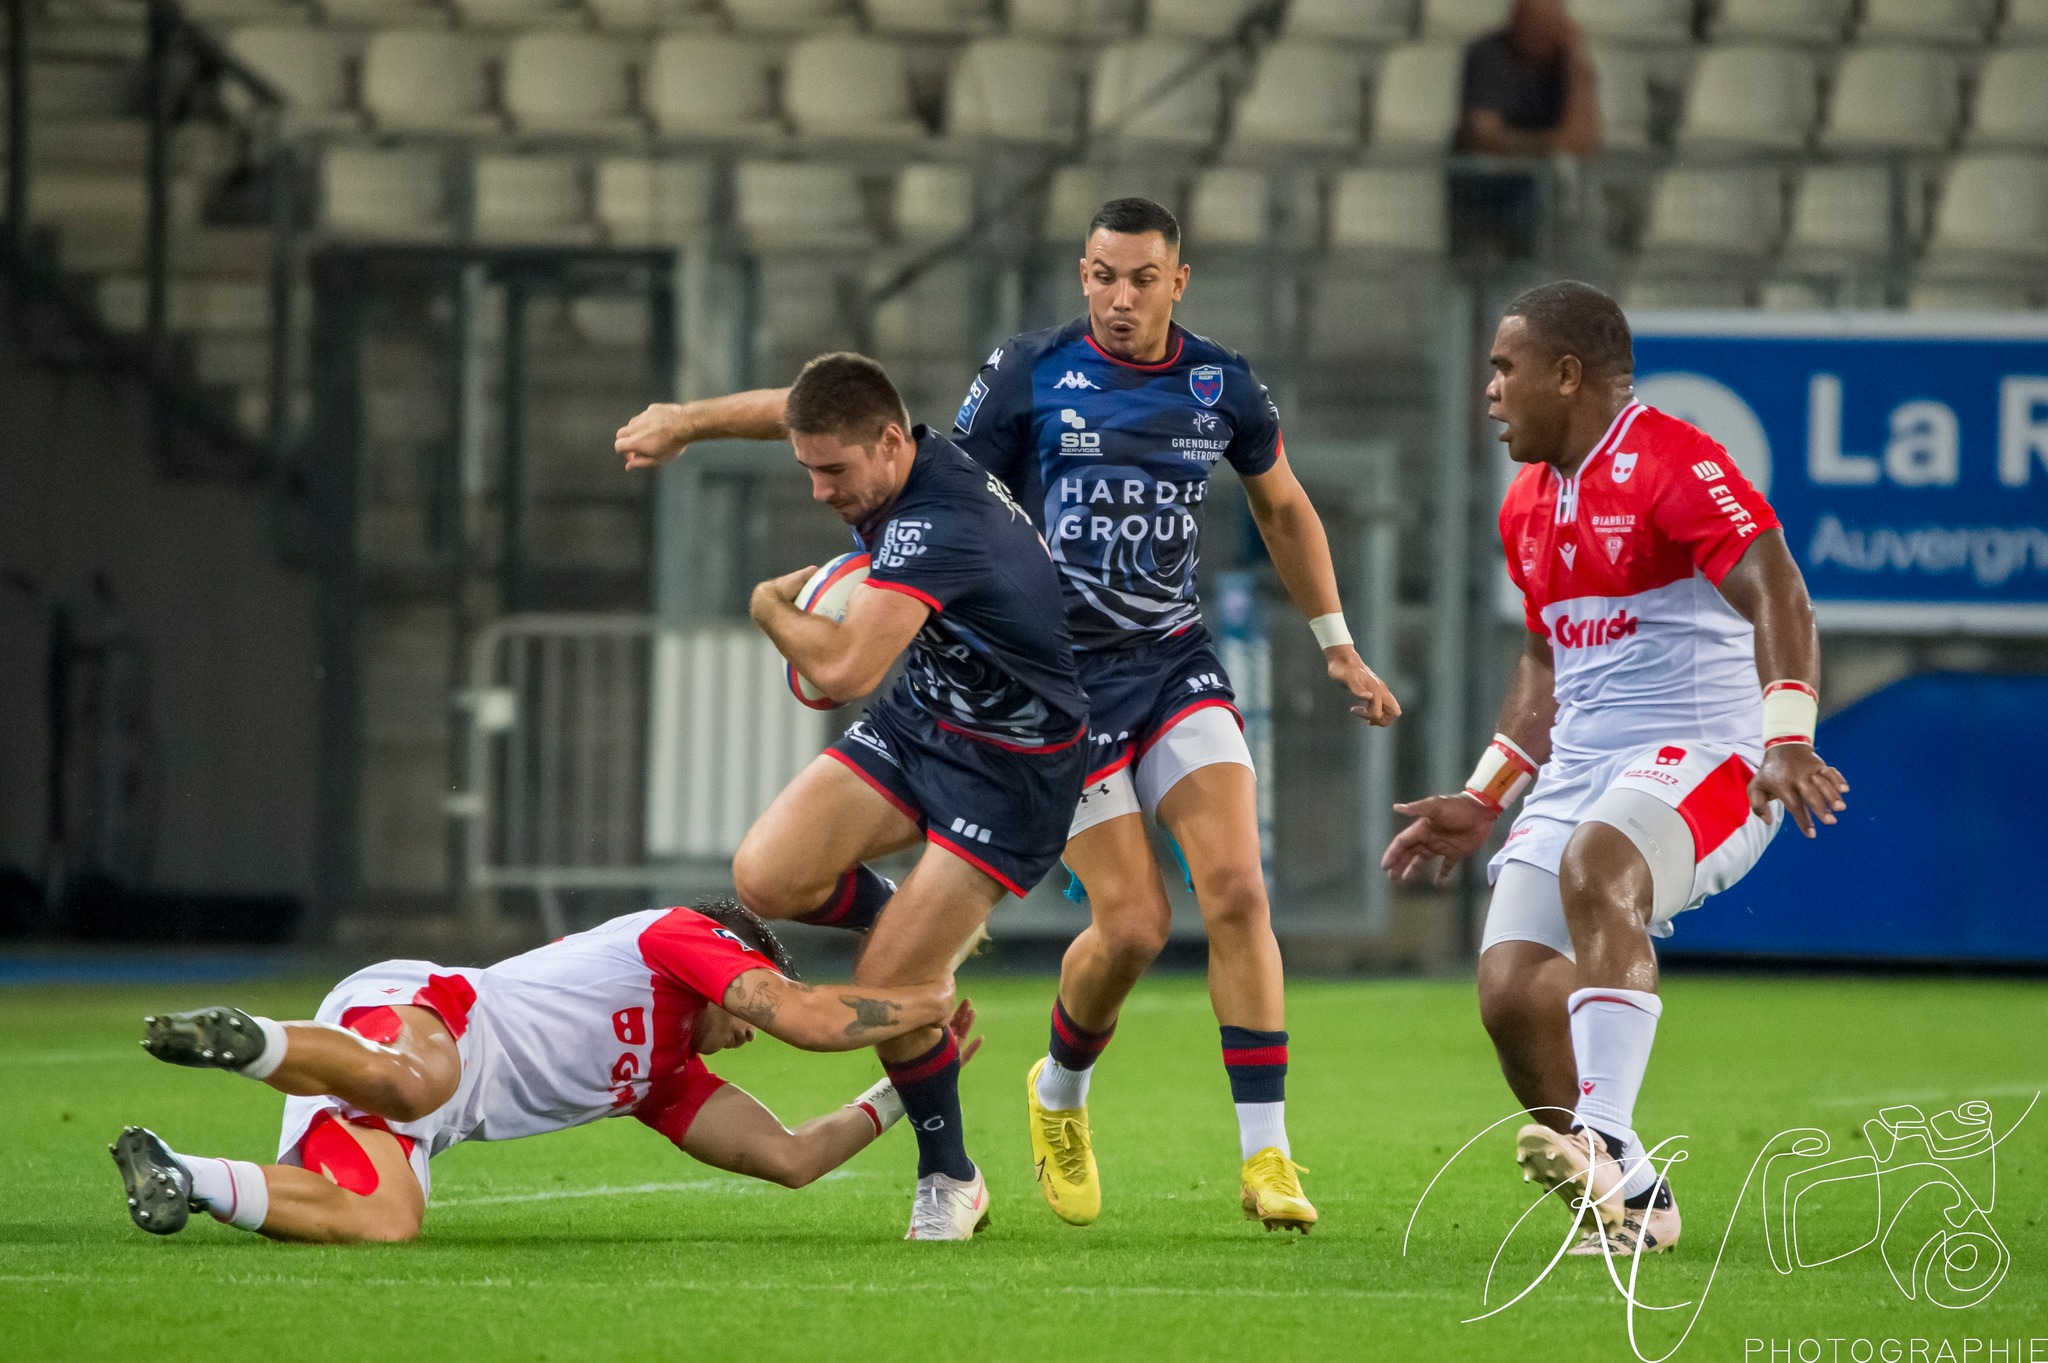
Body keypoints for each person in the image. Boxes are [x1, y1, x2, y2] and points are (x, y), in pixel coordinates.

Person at [617, 199, 1402, 1234]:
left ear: (1178, 281)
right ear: (1082, 276)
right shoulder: (1025, 377)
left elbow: (1282, 504)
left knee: (1233, 891)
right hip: (1017, 690)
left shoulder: (1218, 386)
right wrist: (688, 418)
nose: (1119, 298)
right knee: (1114, 926)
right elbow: (844, 416)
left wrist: (1334, 639)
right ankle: (1056, 1088)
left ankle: (1260, 1153)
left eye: (1140, 278)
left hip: (1133, 684)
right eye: (1101, 277)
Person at [1381, 281, 1850, 1258]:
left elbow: (1777, 585)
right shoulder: (1525, 503)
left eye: (1504, 369)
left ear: (1565, 373)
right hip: (1584, 766)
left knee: (1600, 866)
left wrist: (1787, 735)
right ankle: (1635, 1195)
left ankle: (1600, 1129)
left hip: (1711, 753)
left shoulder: (1670, 461)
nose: (1490, 392)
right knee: (1509, 992)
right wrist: (1482, 796)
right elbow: (1544, 659)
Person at [615, 352, 1089, 1240]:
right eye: (807, 467)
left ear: (886, 443)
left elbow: (839, 670)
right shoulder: (888, 453)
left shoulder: (935, 525)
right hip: (927, 723)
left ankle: (951, 1176)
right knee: (767, 874)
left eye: (833, 471)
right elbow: (792, 408)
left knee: (884, 988)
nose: (818, 489)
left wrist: (767, 605)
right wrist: (685, 418)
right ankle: (912, 929)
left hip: (1016, 770)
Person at [110, 900, 973, 1243]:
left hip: (418, 1109)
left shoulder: (663, 1079)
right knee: (416, 1080)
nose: (750, 1022)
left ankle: (184, 1176)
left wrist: (905, 1088)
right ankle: (249, 1038)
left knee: (386, 1221)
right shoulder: (674, 935)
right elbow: (809, 1017)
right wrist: (927, 1003)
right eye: (757, 984)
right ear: (736, 959)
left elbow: (789, 1158)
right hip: (426, 1013)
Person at [1451, 0, 1602, 260]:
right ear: (1517, 19)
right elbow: (1483, 137)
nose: (1545, 30)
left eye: (1553, 22)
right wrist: (1551, 147)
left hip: (1544, 195)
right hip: (1489, 192)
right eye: (1537, 20)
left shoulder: (1569, 65)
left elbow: (1586, 140)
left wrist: (1575, 64)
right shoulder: (1488, 54)